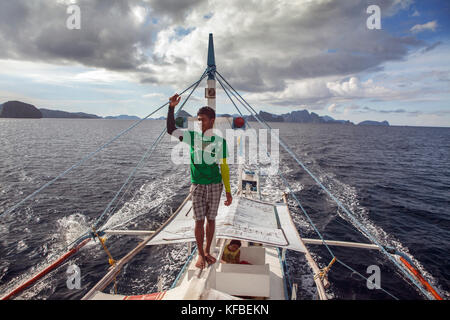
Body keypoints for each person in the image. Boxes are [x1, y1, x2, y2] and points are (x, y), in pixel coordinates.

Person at [167, 93, 232, 269]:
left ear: (212, 120)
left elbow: (224, 168)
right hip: (197, 185)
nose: (199, 122)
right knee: (198, 221)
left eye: (202, 119)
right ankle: (200, 254)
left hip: (215, 185)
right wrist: (171, 108)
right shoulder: (192, 137)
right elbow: (171, 130)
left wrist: (228, 191)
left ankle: (208, 251)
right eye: (198, 120)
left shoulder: (220, 142)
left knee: (211, 219)